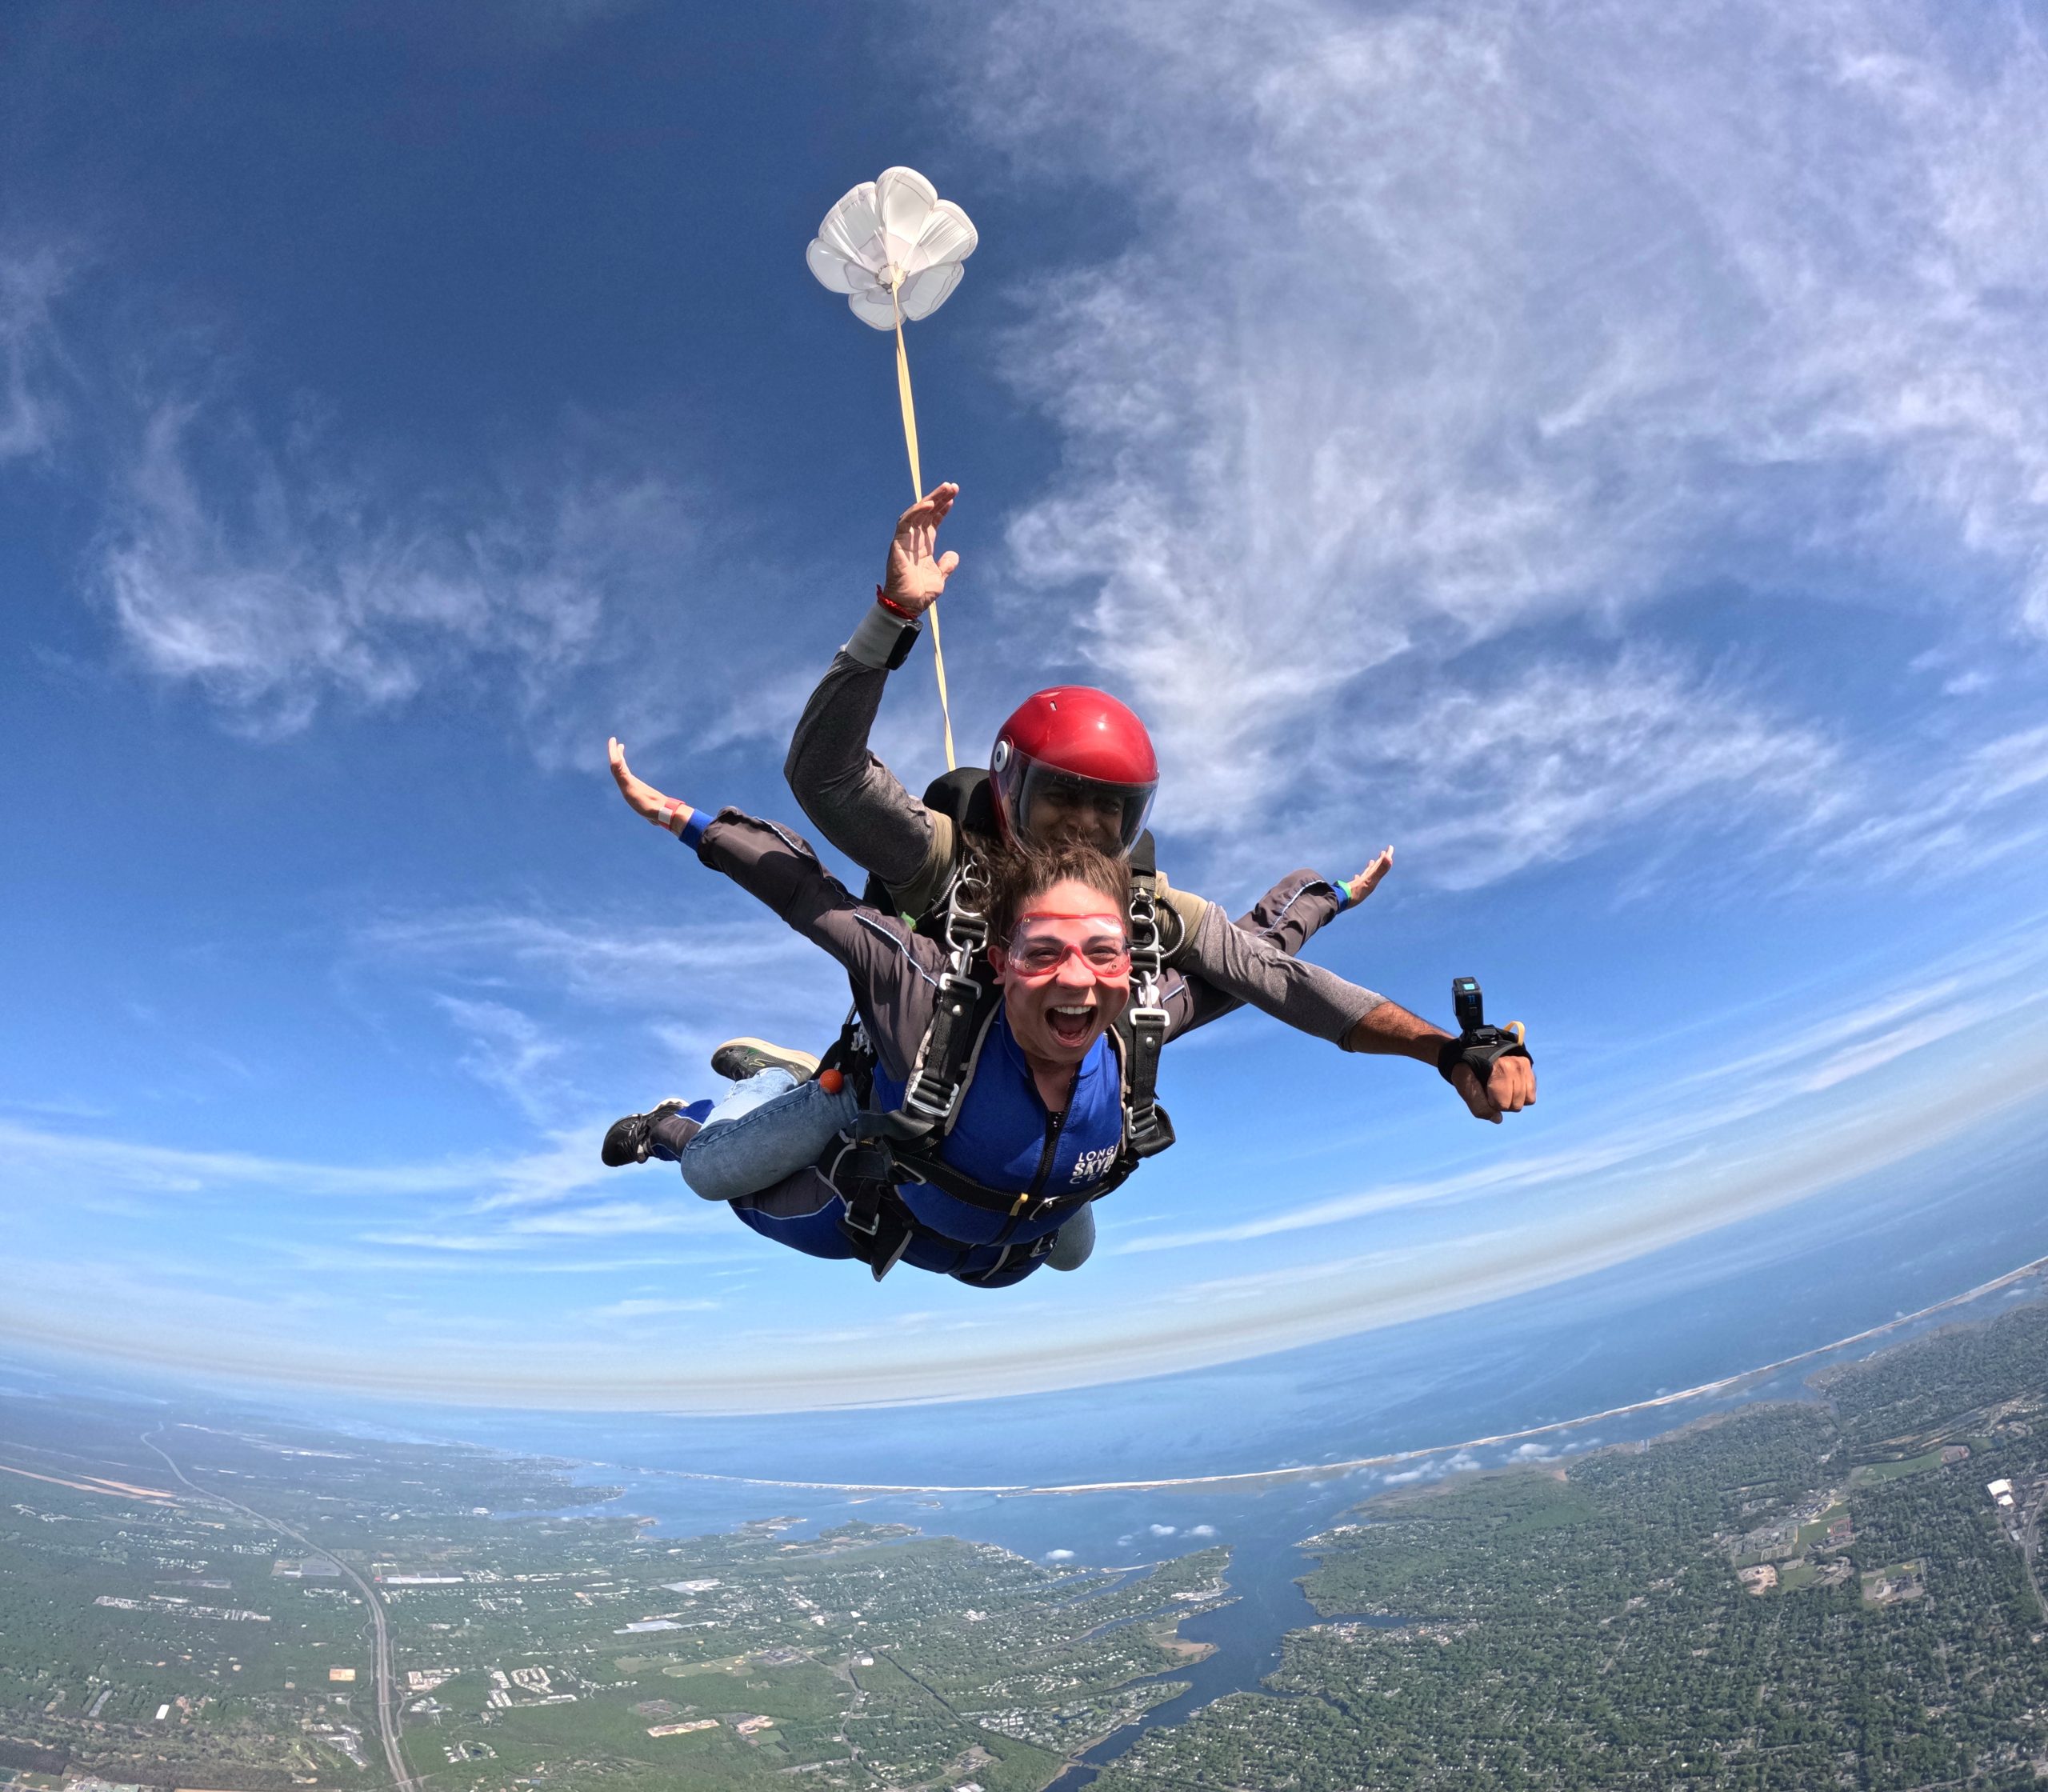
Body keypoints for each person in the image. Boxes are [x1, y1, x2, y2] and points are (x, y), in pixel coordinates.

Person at [598, 794, 1341, 1285]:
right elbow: (810, 899)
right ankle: (729, 1100)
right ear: (1002, 954)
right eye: (1044, 953)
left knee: (1073, 1254)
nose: (1076, 985)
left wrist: (1323, 895)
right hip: (883, 1158)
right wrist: (692, 822)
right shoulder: (927, 990)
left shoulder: (1122, 1014)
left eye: (1094, 956)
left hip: (998, 1225)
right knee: (711, 1172)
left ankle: (803, 1090)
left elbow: (1245, 964)